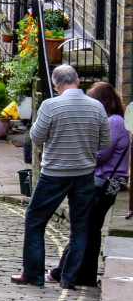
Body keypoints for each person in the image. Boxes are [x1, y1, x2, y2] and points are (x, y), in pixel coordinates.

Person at [12, 65, 110, 289]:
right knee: (80, 227)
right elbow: (106, 142)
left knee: (35, 221)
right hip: (85, 174)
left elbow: (36, 137)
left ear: (56, 85)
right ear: (77, 80)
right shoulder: (97, 107)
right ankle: (69, 279)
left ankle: (33, 275)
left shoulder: (51, 105)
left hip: (54, 174)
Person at [49, 82, 129, 287]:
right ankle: (83, 275)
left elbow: (101, 155)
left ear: (103, 102)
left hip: (104, 182)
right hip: (110, 181)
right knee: (91, 228)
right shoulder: (116, 121)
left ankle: (62, 272)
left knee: (83, 226)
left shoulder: (115, 123)